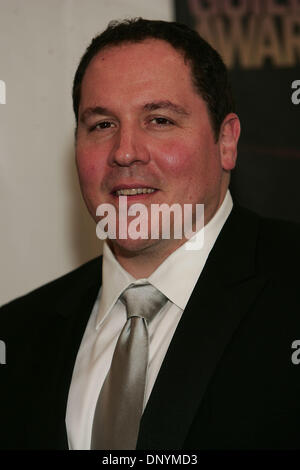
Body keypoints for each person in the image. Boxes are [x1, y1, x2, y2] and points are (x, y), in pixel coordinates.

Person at [0, 17, 300, 451]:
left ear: (226, 141)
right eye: (102, 125)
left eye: (158, 120)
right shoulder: (17, 337)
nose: (124, 152)